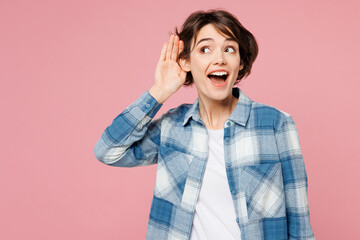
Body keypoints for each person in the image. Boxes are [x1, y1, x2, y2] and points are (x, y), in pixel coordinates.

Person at [94, 9, 315, 240]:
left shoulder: (276, 124)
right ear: (186, 62)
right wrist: (159, 92)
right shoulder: (172, 127)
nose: (219, 58)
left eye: (229, 49)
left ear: (240, 62)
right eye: (205, 49)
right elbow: (107, 151)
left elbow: (299, 221)